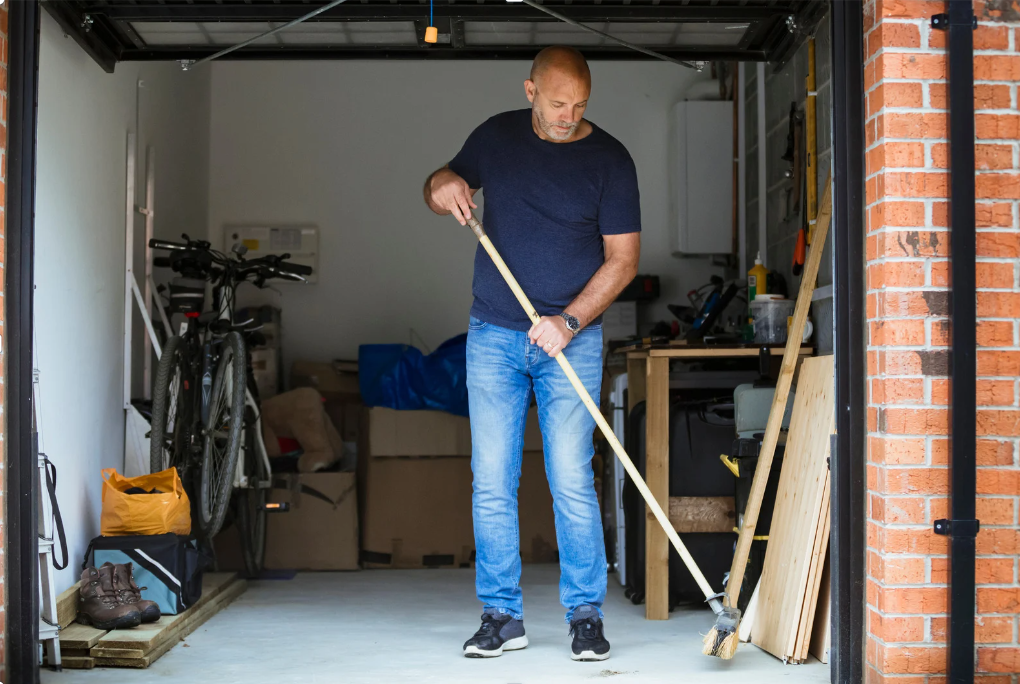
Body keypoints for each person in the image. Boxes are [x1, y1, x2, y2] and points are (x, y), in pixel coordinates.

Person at [423, 45, 641, 662]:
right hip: (494, 334)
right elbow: (440, 182)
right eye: (556, 102)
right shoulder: (495, 138)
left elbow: (623, 261)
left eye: (579, 104)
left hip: (573, 339)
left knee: (571, 477)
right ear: (529, 91)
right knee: (492, 479)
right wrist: (441, 185)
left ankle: (585, 616)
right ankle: (501, 616)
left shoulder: (610, 160)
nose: (568, 115)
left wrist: (568, 321)